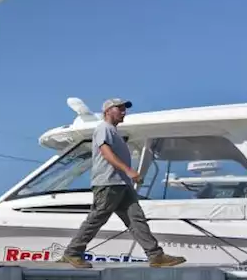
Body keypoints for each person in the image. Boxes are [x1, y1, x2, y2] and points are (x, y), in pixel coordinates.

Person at [60, 98, 186, 268]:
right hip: (109, 183)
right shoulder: (103, 129)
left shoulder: (113, 132)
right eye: (119, 108)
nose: (123, 111)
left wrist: (126, 176)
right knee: (97, 217)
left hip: (121, 184)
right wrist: (129, 170)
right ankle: (73, 252)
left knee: (136, 219)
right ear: (107, 111)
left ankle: (156, 256)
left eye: (124, 109)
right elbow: (105, 152)